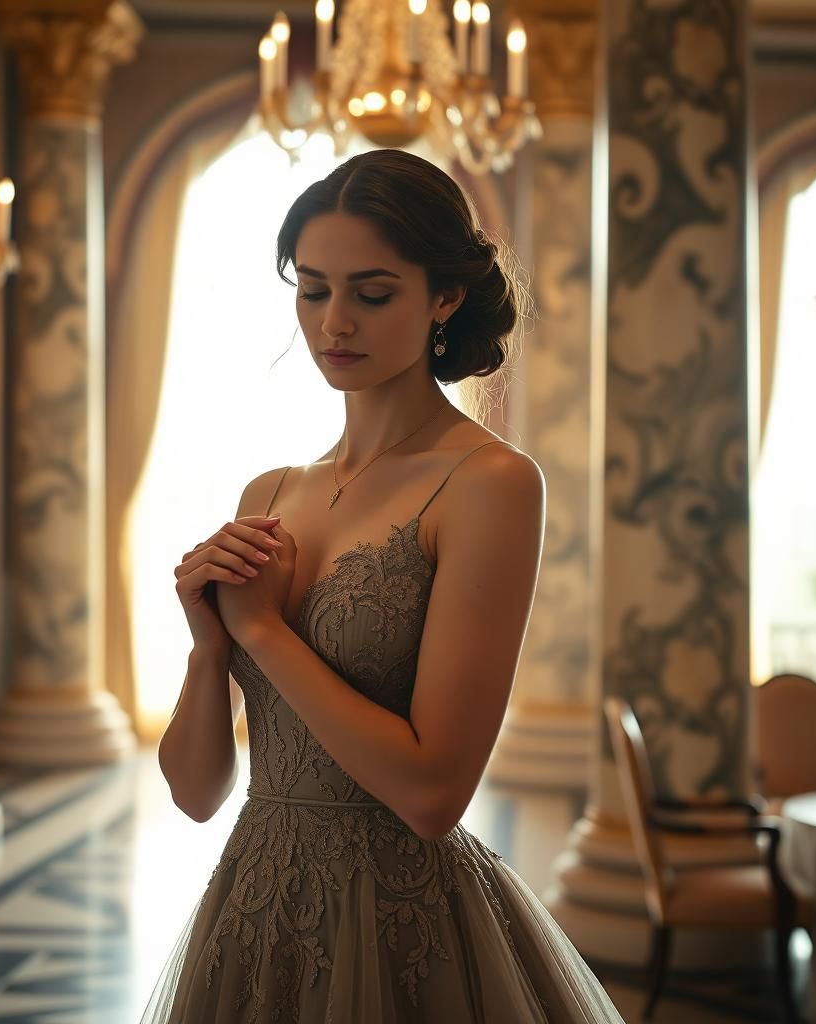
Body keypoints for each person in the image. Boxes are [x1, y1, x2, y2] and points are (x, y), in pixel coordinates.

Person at [141, 149, 624, 1023]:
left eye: (371, 293)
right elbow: (196, 792)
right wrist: (208, 648)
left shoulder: (491, 484)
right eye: (313, 289)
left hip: (403, 927)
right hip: (252, 916)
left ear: (444, 297)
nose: (334, 324)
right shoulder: (272, 492)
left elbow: (434, 797)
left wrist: (263, 634)